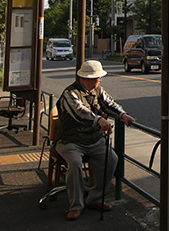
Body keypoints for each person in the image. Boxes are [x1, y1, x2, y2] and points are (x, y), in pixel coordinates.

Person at [55, 60, 135, 221]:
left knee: (112, 159)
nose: (100, 79)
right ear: (85, 78)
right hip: (71, 141)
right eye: (96, 77)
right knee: (75, 164)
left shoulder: (98, 90)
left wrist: (122, 115)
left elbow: (109, 104)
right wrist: (99, 120)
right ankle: (76, 205)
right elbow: (80, 112)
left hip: (94, 139)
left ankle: (95, 198)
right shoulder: (70, 93)